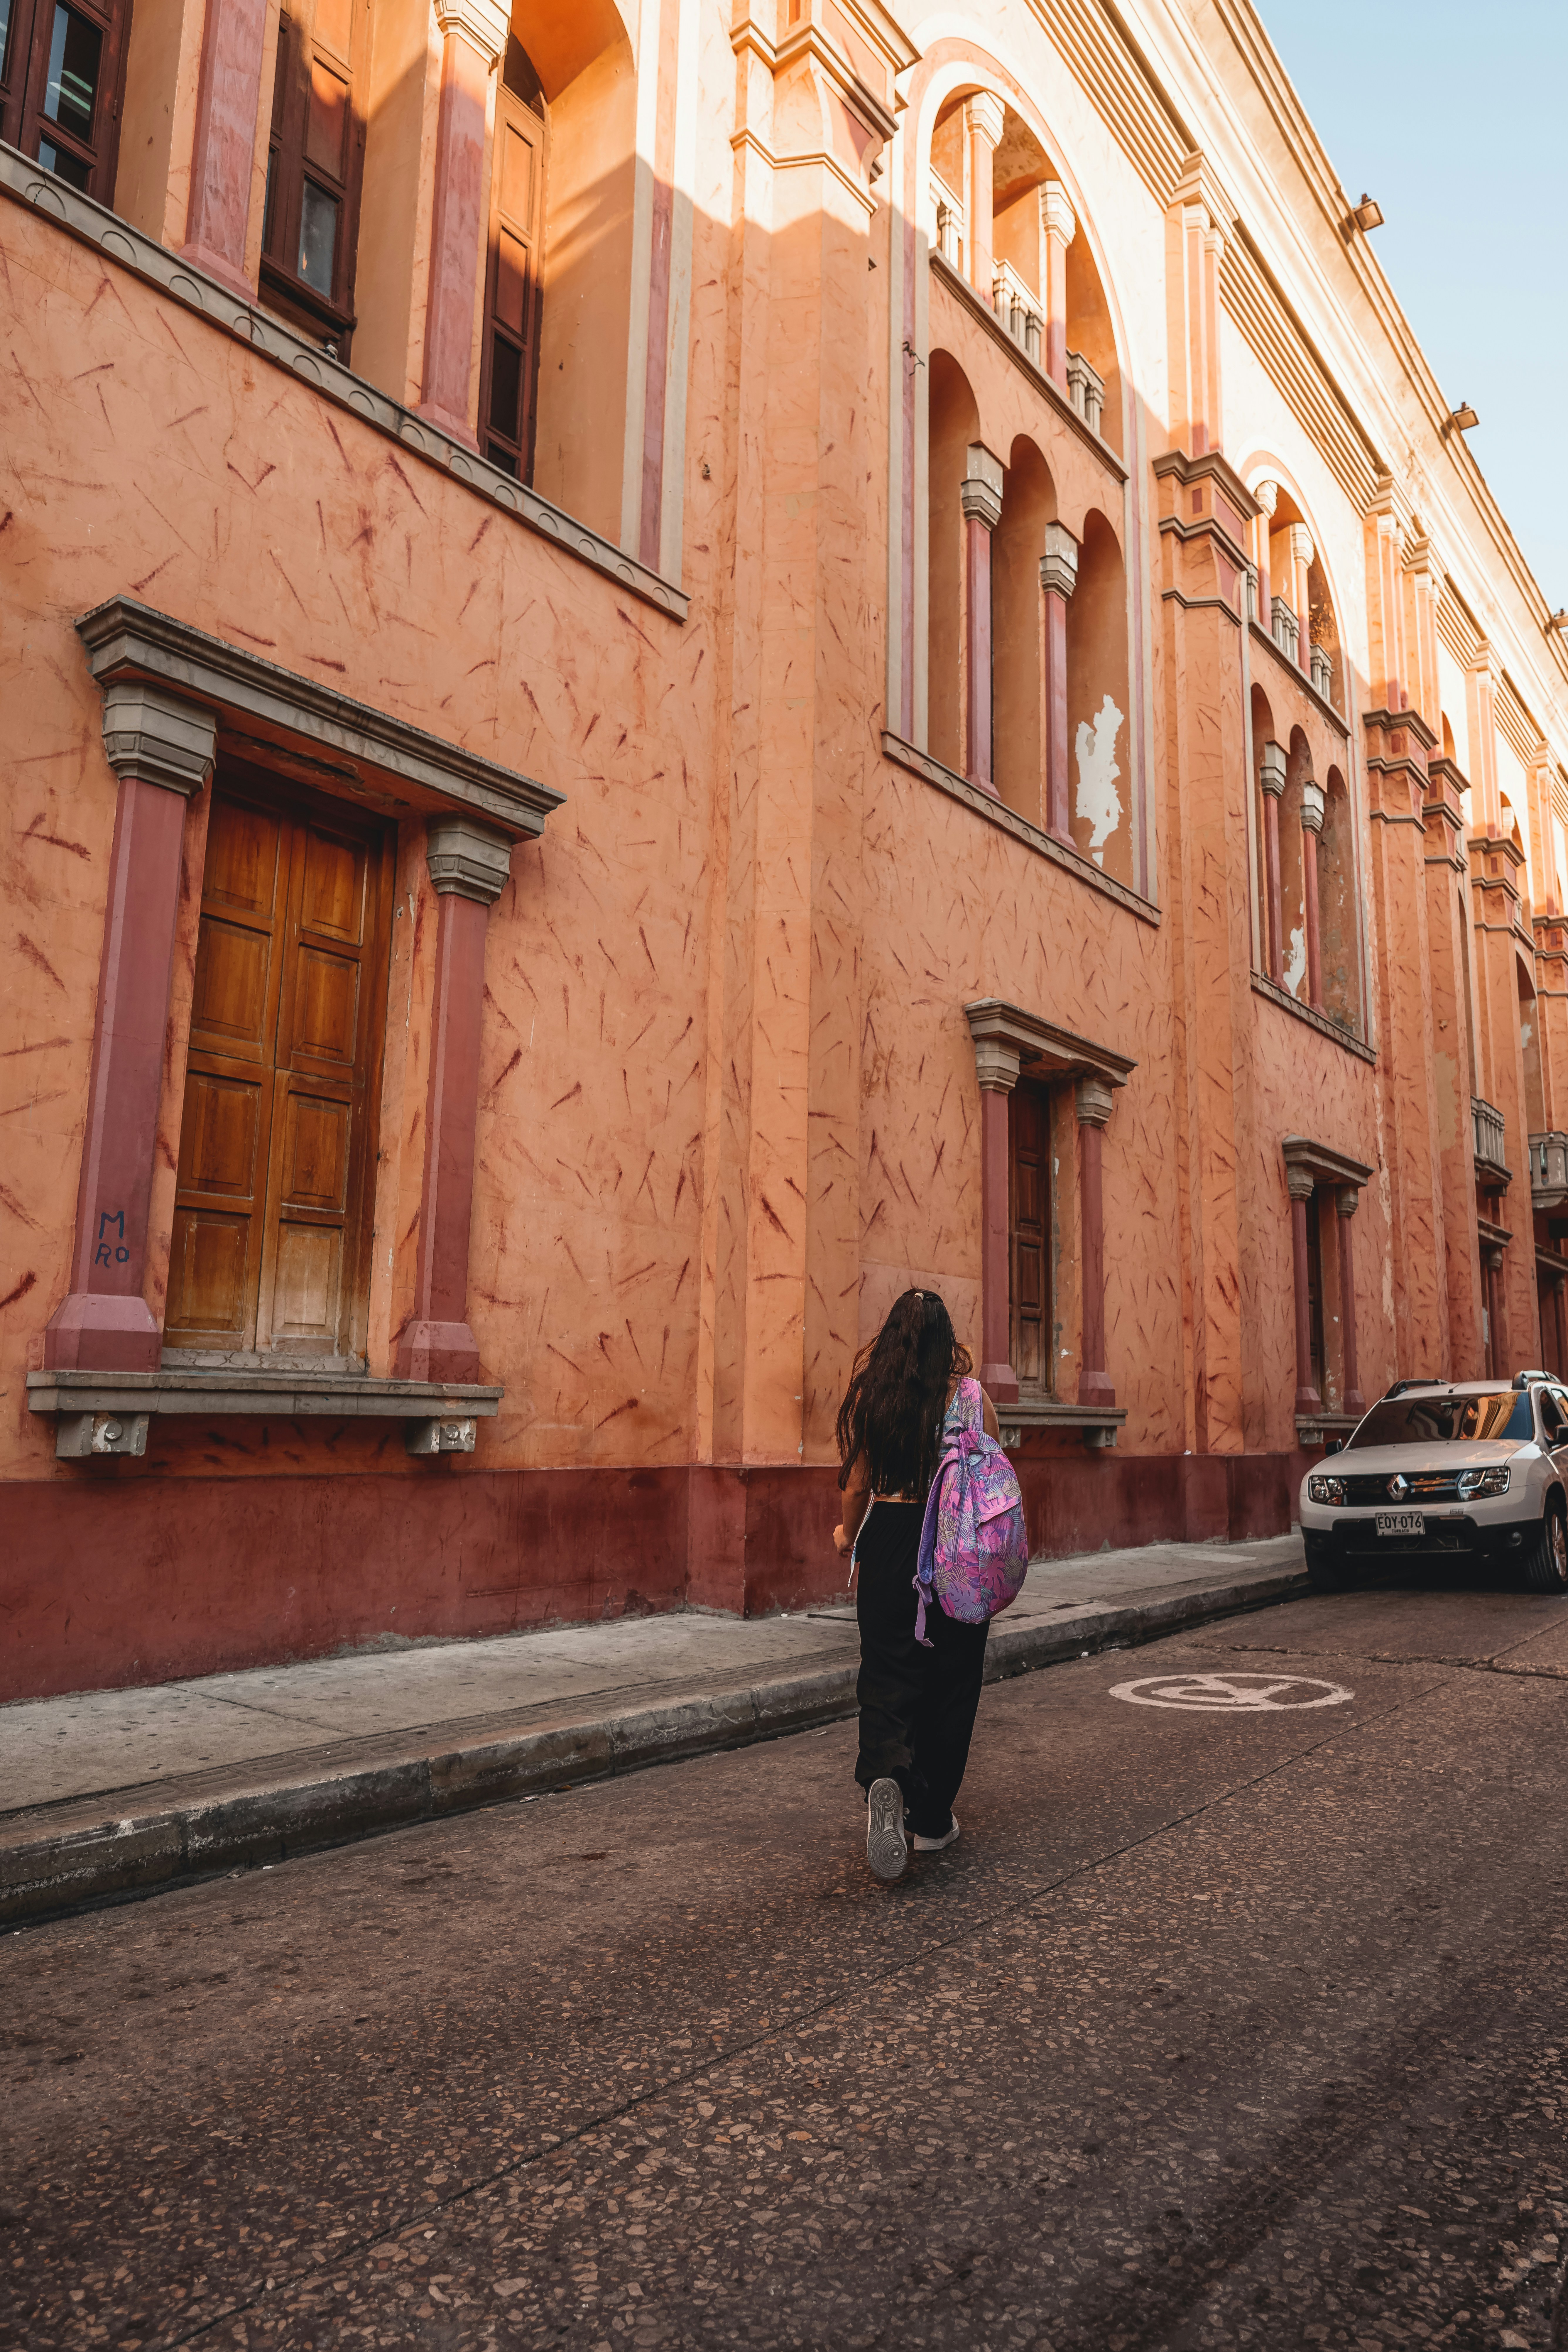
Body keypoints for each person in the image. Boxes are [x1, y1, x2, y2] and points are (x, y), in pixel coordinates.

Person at [832, 1288, 1001, 1883]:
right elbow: (991, 1480)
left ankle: (887, 1774)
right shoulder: (972, 1398)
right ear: (944, 1337)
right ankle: (932, 1822)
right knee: (952, 1680)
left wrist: (845, 1535)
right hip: (952, 1546)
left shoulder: (869, 1396)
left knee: (885, 1674)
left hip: (889, 1539)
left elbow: (855, 1485)